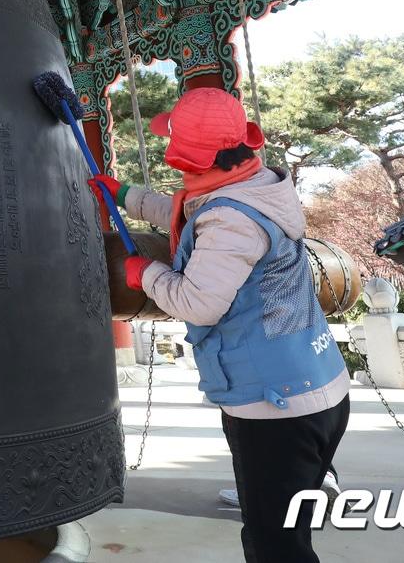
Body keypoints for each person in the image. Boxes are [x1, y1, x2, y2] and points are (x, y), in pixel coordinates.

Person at [91, 87, 349, 563]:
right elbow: (187, 211)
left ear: (186, 156)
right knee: (288, 531)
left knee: (275, 545)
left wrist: (144, 274)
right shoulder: (256, 185)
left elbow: (198, 302)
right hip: (317, 386)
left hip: (277, 408)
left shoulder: (232, 220)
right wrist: (127, 195)